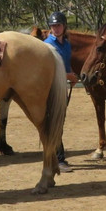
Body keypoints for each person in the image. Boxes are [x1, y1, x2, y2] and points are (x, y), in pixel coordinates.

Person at [44, 10, 78, 171]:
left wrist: (71, 75)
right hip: (51, 87)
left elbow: (66, 64)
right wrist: (68, 75)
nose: (55, 28)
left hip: (61, 87)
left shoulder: (67, 44)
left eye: (58, 25)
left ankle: (57, 158)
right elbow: (46, 70)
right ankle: (59, 159)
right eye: (53, 26)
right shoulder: (47, 45)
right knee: (55, 122)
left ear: (64, 26)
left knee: (60, 122)